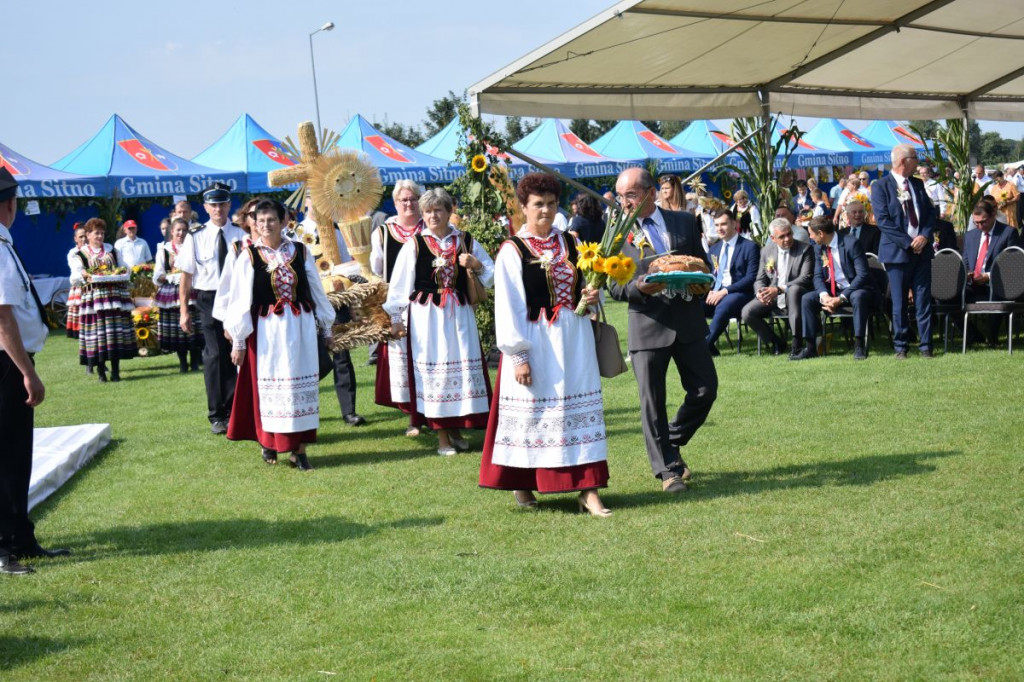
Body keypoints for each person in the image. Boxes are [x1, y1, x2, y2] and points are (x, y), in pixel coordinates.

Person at [479, 173, 610, 516]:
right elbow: (507, 304)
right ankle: (522, 483)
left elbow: (583, 285)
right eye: (538, 204)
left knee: (576, 412)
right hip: (536, 341)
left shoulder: (571, 242)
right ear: (523, 207)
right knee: (534, 415)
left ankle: (587, 489)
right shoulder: (513, 250)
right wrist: (518, 354)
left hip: (574, 339)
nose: (546, 211)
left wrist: (591, 295)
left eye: (552, 204)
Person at [608, 168, 717, 494]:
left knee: (705, 389)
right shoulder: (615, 232)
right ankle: (668, 471)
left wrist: (700, 280)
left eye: (630, 195)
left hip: (687, 321)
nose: (624, 202)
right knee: (652, 402)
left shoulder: (684, 221)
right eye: (620, 195)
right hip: (647, 324)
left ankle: (669, 441)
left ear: (651, 193)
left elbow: (702, 264)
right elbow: (613, 286)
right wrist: (640, 287)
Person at [221, 200, 335, 470]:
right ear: (254, 224)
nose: (266, 225)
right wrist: (238, 341)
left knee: (300, 388)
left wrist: (327, 327)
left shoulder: (299, 251)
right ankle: (270, 442)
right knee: (272, 389)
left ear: (283, 221)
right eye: (261, 221)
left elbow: (316, 290)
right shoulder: (249, 255)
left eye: (271, 219)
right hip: (267, 331)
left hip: (300, 328)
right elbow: (239, 300)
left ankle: (300, 450)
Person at [383, 188, 493, 456]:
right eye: (428, 211)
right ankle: (442, 437)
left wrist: (476, 264)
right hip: (427, 318)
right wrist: (396, 319)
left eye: (438, 210)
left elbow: (492, 275)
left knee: (461, 371)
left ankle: (455, 428)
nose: (433, 215)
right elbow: (398, 287)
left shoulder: (465, 240)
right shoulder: (415, 244)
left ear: (448, 211)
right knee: (436, 373)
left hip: (459, 315)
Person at [0, 168, 72, 575]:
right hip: (7, 362)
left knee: (16, 454)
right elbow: (3, 318)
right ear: (10, 204)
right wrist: (27, 371)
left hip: (10, 360)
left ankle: (20, 538)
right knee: (5, 455)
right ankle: (4, 545)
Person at [177, 183, 250, 433]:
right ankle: (218, 414)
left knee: (240, 352)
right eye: (213, 204)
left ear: (229, 205)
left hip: (238, 298)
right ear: (206, 207)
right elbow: (187, 275)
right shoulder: (195, 236)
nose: (218, 209)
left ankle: (238, 409)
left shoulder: (241, 235)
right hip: (209, 298)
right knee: (215, 354)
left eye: (223, 203)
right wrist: (183, 310)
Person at [371, 180, 426, 437]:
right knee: (404, 364)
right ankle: (413, 417)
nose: (409, 203)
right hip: (398, 306)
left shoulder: (430, 227)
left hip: (427, 304)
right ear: (395, 203)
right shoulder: (383, 232)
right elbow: (375, 269)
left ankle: (433, 414)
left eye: (413, 198)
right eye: (403, 200)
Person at [872, 143, 936, 359]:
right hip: (898, 253)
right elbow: (883, 221)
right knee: (899, 302)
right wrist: (909, 243)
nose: (918, 161)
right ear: (903, 161)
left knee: (923, 300)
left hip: (922, 253)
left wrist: (924, 236)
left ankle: (926, 345)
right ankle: (901, 346)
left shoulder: (917, 185)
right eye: (915, 158)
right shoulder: (881, 186)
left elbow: (929, 214)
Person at [792, 217, 879, 361]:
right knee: (807, 299)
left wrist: (841, 298)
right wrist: (825, 296)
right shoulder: (819, 248)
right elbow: (818, 276)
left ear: (820, 233)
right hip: (833, 291)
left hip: (856, 289)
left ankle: (859, 346)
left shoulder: (851, 243)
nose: (810, 237)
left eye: (811, 234)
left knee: (858, 296)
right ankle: (811, 347)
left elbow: (863, 275)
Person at [71, 218, 137, 382]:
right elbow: (74, 277)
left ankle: (115, 371)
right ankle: (100, 371)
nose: (100, 236)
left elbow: (124, 268)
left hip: (114, 297)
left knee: (114, 333)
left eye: (101, 233)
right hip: (94, 299)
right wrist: (84, 275)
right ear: (88, 235)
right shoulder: (80, 254)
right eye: (96, 233)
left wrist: (121, 272)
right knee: (98, 334)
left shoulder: (112, 251)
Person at [740, 217, 814, 356]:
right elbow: (760, 279)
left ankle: (796, 344)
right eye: (782, 236)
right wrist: (760, 293)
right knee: (747, 312)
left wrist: (779, 289)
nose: (787, 239)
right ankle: (776, 342)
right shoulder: (766, 251)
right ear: (773, 238)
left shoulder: (805, 249)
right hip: (773, 294)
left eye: (789, 234)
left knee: (793, 291)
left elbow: (805, 278)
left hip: (797, 293)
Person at [962, 201, 1021, 345]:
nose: (980, 226)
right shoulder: (970, 235)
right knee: (945, 296)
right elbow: (966, 261)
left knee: (998, 291)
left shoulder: (1008, 233)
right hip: (973, 283)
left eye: (983, 222)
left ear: (993, 215)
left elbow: (1014, 264)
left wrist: (988, 276)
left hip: (997, 284)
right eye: (976, 223)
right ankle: (973, 335)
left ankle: (992, 337)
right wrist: (968, 274)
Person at [704, 208, 759, 355]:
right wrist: (708, 289)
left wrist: (725, 291)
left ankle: (703, 347)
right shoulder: (713, 249)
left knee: (724, 305)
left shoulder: (749, 247)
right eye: (716, 225)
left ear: (734, 223)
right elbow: (711, 274)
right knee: (692, 304)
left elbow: (751, 278)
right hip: (717, 291)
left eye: (723, 224)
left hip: (741, 293)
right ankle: (707, 346)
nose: (719, 229)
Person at [153, 217, 201, 372]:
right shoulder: (164, 250)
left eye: (184, 230)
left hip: (191, 290)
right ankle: (182, 363)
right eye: (178, 230)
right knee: (177, 329)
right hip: (172, 292)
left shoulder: (193, 247)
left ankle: (194, 361)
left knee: (194, 326)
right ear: (171, 232)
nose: (181, 233)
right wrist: (167, 276)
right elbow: (158, 275)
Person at [65, 223, 86, 341]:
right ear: (75, 239)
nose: (83, 239)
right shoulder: (73, 253)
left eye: (85, 236)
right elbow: (77, 268)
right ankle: (78, 331)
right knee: (78, 309)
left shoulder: (91, 250)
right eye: (80, 237)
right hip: (79, 284)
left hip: (89, 284)